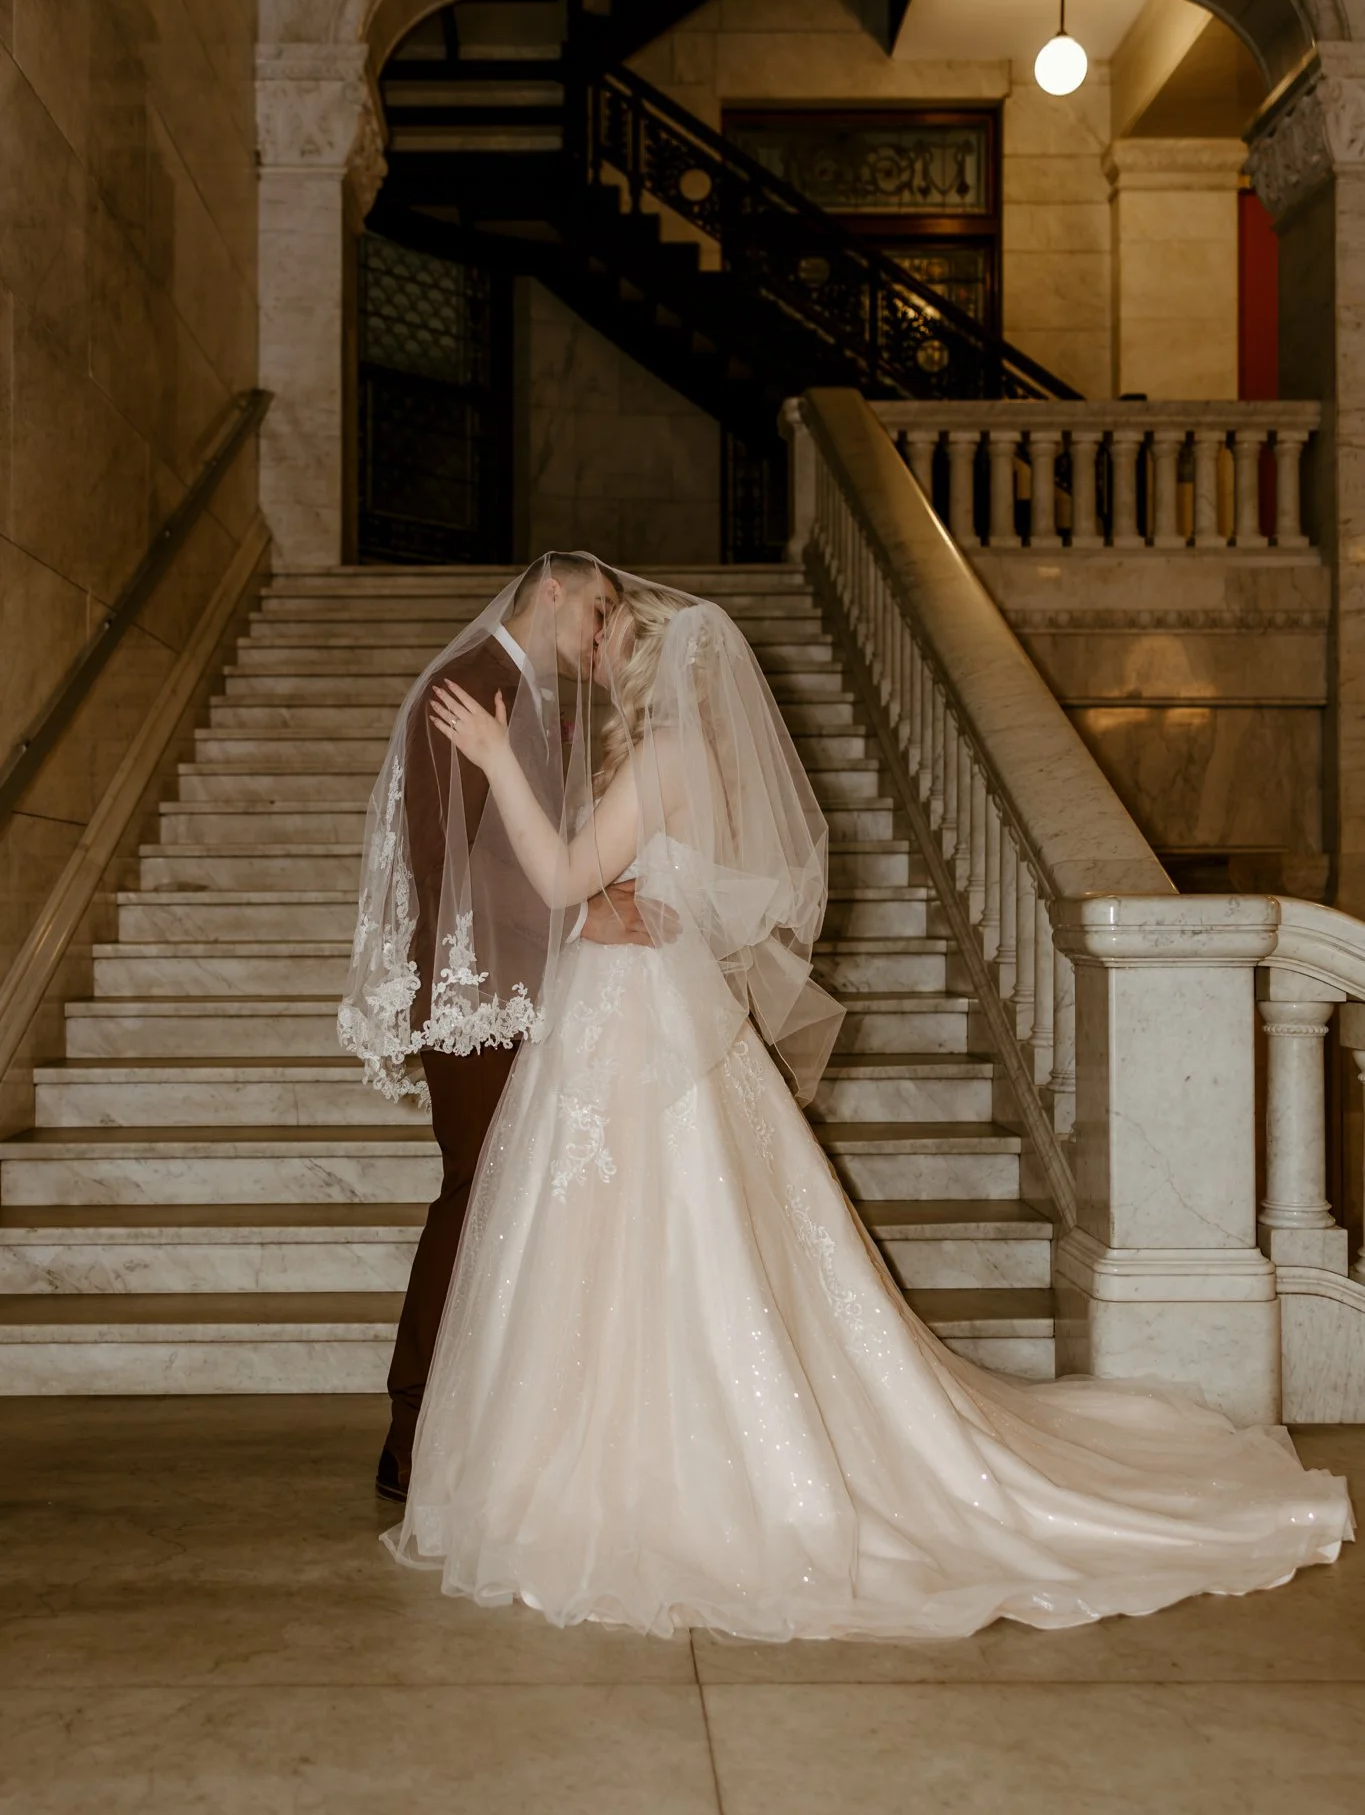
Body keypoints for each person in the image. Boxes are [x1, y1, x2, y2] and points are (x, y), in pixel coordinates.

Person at [383, 570, 1353, 1641]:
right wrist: (637, 900)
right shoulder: (664, 754)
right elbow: (675, 888)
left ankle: (632, 1474)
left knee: (663, 1242)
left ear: (650, 655)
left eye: (611, 634)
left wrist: (494, 764)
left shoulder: (664, 753)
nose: (596, 648)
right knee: (626, 1244)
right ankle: (583, 1458)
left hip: (637, 1031)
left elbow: (566, 875)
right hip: (635, 1017)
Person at [338, 554, 659, 1504]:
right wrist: (584, 915)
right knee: (475, 1191)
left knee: (504, 1199)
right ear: (551, 589)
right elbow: (453, 867)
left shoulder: (528, 692)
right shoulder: (467, 685)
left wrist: (591, 891)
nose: (601, 632)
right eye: (597, 609)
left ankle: (476, 1424)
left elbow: (521, 844)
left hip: (519, 988)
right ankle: (410, 1430)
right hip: (475, 996)